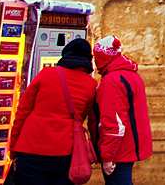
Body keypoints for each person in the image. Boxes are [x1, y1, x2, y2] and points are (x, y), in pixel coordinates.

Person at [10, 38, 97, 185]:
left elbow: (22, 112)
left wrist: (14, 147)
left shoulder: (46, 73)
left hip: (32, 148)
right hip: (66, 153)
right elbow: (85, 120)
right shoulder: (91, 85)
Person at [91, 35, 153, 185]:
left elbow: (114, 124)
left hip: (120, 149)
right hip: (131, 144)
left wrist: (108, 156)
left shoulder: (112, 80)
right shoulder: (131, 74)